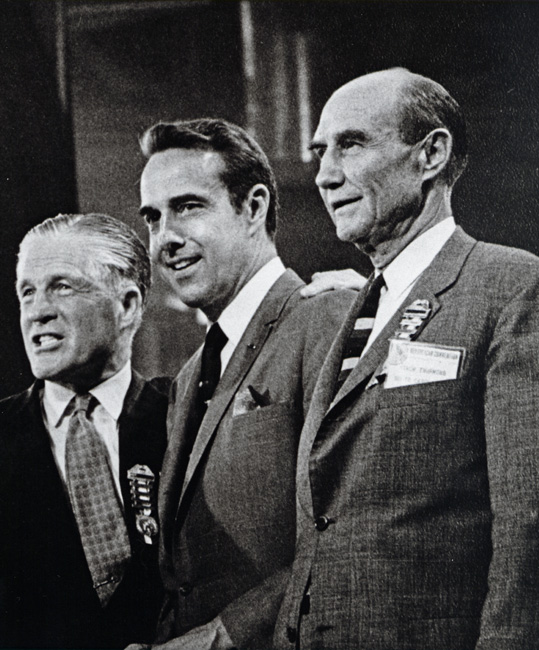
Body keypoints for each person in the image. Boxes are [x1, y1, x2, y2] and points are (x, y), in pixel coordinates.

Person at [274, 68, 539, 649]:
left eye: (351, 144)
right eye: (319, 152)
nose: (325, 174)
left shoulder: (513, 286)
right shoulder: (352, 310)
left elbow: (535, 524)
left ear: (431, 154)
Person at [134, 119, 357, 649]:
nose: (166, 239)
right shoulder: (190, 376)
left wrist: (211, 642)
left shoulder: (329, 319)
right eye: (153, 218)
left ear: (254, 207)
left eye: (188, 207)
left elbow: (347, 534)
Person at [0, 213, 169, 649]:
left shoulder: (185, 419)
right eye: (27, 292)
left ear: (127, 306)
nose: (38, 311)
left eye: (62, 287)